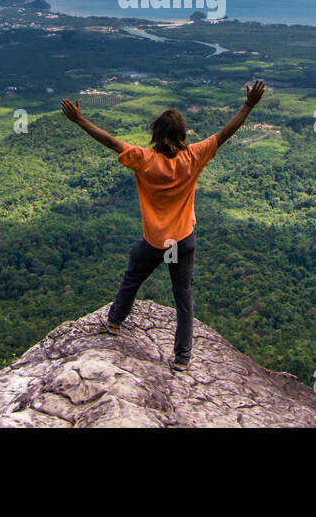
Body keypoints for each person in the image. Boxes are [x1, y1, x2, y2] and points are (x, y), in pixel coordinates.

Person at [60, 79, 266, 372]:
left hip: (156, 242)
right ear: (182, 135)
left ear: (155, 133)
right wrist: (248, 105)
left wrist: (80, 119)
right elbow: (225, 133)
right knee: (183, 298)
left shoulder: (144, 160)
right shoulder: (194, 156)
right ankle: (182, 358)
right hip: (182, 240)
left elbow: (109, 141)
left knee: (132, 278)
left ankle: (116, 322)